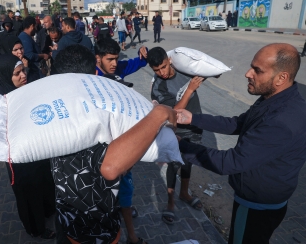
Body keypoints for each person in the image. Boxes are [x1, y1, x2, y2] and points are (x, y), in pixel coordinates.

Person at [176, 43, 306, 244]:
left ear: (282, 78)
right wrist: (192, 118)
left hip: (256, 206)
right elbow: (237, 123)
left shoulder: (282, 120)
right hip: (257, 198)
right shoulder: (273, 97)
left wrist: (178, 146)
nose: (247, 73)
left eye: (257, 70)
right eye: (251, 66)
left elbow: (229, 162)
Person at [51, 44, 177, 243]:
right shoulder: (87, 119)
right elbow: (110, 167)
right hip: (94, 229)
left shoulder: (57, 108)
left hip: (67, 219)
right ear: (94, 72)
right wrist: (158, 115)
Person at [0, 53, 56, 239]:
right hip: (19, 158)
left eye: (23, 71)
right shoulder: (1, 101)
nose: (23, 75)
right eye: (17, 73)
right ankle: (35, 228)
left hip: (37, 150)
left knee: (44, 181)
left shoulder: (26, 90)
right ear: (7, 76)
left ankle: (48, 210)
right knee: (28, 192)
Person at [95, 38, 149, 244]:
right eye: (110, 59)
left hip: (121, 142)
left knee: (125, 189)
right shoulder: (90, 77)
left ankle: (132, 237)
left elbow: (138, 63)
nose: (115, 63)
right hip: (100, 145)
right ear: (97, 58)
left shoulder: (118, 71)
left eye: (116, 58)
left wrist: (145, 54)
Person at [147, 47, 204, 225]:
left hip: (195, 124)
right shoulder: (157, 87)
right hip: (176, 130)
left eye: (163, 67)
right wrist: (190, 90)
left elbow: (206, 70)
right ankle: (170, 202)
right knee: (174, 164)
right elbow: (174, 111)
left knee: (189, 161)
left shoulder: (183, 69)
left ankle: (184, 193)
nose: (161, 72)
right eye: (156, 70)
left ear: (169, 60)